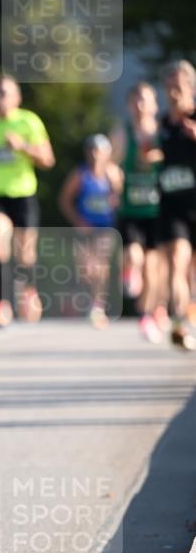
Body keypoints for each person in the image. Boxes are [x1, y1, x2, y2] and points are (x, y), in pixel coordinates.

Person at [0, 76, 55, 327]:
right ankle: (1, 303)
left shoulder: (28, 121)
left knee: (25, 251)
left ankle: (28, 291)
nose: (0, 98)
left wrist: (22, 146)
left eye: (5, 93)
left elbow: (48, 160)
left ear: (17, 98)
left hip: (23, 193)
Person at [110, 83, 167, 343]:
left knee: (152, 269)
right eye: (136, 101)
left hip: (157, 209)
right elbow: (109, 164)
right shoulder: (123, 133)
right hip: (130, 207)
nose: (141, 106)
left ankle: (145, 316)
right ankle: (127, 272)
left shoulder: (162, 133)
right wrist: (115, 181)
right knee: (134, 255)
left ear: (155, 105)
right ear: (130, 105)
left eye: (146, 100)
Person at [58, 134, 122, 329]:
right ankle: (90, 299)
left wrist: (116, 192)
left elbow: (121, 199)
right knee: (86, 268)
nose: (95, 155)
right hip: (85, 228)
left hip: (105, 228)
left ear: (107, 153)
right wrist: (78, 221)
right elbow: (64, 200)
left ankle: (97, 306)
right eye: (92, 150)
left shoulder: (113, 173)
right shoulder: (80, 174)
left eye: (100, 150)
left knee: (100, 266)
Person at [157, 60, 196, 351]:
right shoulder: (160, 125)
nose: (173, 92)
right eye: (169, 86)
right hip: (172, 205)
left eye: (179, 86)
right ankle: (181, 322)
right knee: (176, 261)